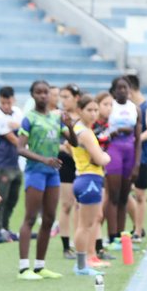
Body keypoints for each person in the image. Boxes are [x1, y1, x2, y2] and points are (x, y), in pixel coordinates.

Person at [15, 79, 75, 280]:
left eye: (45, 92)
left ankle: (40, 266)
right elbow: (20, 148)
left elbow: (74, 143)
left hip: (52, 173)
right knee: (30, 218)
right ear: (32, 95)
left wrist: (70, 127)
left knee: (49, 218)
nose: (42, 95)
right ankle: (24, 268)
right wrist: (44, 160)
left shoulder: (56, 118)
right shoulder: (29, 118)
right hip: (36, 172)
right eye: (38, 92)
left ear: (50, 95)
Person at [69, 95, 113, 275]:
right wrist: (107, 156)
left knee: (86, 224)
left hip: (85, 178)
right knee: (85, 226)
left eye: (96, 110)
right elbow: (101, 159)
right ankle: (82, 265)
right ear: (79, 110)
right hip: (89, 179)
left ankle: (84, 262)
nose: (94, 114)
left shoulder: (81, 130)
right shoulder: (85, 133)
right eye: (89, 110)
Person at [104, 76, 141, 247]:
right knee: (114, 195)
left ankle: (120, 235)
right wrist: (114, 132)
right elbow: (101, 129)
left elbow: (138, 140)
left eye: (125, 87)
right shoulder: (110, 107)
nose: (123, 91)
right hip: (114, 150)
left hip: (130, 152)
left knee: (124, 197)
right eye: (119, 88)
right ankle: (111, 236)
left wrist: (137, 164)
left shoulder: (135, 109)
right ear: (113, 91)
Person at [0, 86, 24, 236]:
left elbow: (24, 128)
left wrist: (19, 126)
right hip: (1, 163)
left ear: (13, 100)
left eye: (8, 103)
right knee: (0, 198)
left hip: (15, 162)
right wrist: (29, 150)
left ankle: (6, 226)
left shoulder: (18, 112)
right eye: (3, 103)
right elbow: (13, 138)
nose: (6, 106)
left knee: (13, 198)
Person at [125, 73, 147, 242]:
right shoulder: (126, 107)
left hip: (142, 158)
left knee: (140, 194)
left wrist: (136, 139)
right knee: (123, 193)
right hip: (126, 157)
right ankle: (136, 227)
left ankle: (137, 231)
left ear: (131, 88)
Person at [57, 83, 81, 257]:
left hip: (82, 163)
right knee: (66, 204)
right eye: (61, 97)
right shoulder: (58, 117)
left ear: (76, 98)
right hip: (65, 162)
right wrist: (64, 147)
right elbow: (54, 141)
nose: (63, 101)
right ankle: (66, 246)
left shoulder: (84, 114)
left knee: (81, 205)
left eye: (66, 97)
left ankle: (79, 241)